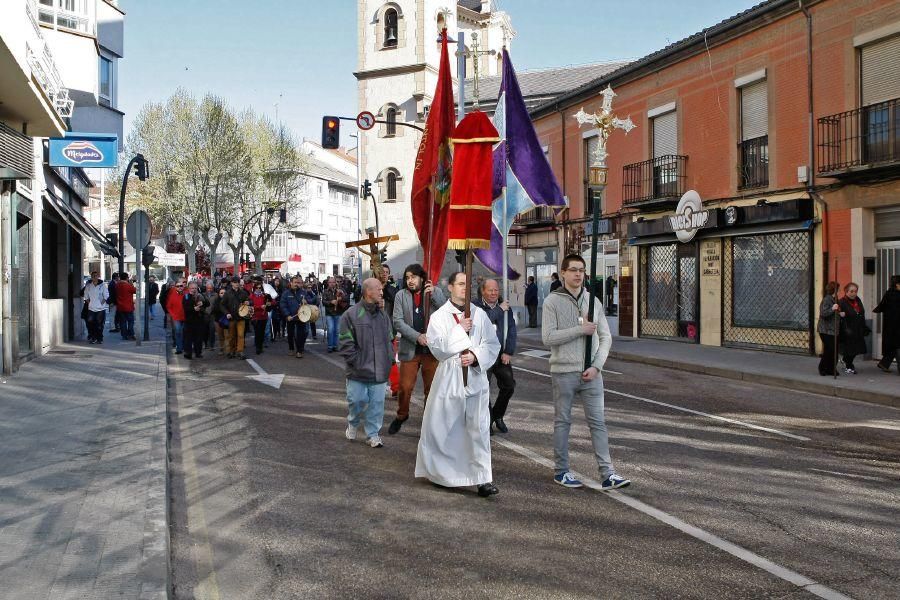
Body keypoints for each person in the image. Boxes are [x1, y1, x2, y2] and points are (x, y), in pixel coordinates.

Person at [542, 254, 630, 491]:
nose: (578, 274)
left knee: (598, 423)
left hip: (591, 374)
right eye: (573, 270)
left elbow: (605, 337)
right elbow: (548, 337)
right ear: (563, 273)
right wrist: (579, 330)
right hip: (563, 372)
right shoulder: (552, 302)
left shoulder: (594, 301)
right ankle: (561, 471)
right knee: (563, 422)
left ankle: (608, 473)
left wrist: (596, 366)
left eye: (581, 270)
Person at [415, 271, 501, 498]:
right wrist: (459, 329)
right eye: (460, 284)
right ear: (450, 287)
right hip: (450, 376)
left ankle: (483, 479)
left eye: (467, 284)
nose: (464, 287)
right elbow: (437, 348)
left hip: (474, 376)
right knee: (445, 427)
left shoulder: (480, 315)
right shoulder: (440, 316)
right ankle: (444, 474)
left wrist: (474, 355)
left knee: (479, 429)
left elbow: (492, 344)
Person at [388, 263, 446, 435]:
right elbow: (397, 321)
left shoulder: (434, 293)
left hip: (431, 351)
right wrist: (417, 336)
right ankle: (402, 415)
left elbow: (446, 312)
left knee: (431, 389)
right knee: (405, 387)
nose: (410, 281)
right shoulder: (401, 295)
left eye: (413, 277)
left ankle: (429, 422)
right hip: (411, 348)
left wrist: (434, 294)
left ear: (422, 278)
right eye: (407, 278)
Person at [339, 278, 394, 448]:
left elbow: (389, 340)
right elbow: (345, 343)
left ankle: (372, 434)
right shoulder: (351, 314)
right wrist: (357, 362)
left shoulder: (383, 316)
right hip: (358, 372)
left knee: (377, 406)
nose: (381, 292)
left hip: (379, 372)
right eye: (378, 289)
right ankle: (353, 422)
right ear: (368, 292)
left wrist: (389, 361)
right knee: (356, 401)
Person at [474, 279, 517, 434]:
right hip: (483, 354)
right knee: (483, 388)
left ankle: (496, 416)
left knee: (509, 385)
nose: (494, 293)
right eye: (490, 290)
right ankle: (487, 420)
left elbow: (511, 329)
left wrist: (509, 351)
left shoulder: (505, 307)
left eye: (496, 290)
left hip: (500, 354)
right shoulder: (476, 306)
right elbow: (483, 322)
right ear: (483, 291)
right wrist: (499, 309)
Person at [838, 282, 869, 375]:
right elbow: (837, 315)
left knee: (857, 349)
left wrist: (864, 326)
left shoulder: (858, 300)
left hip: (858, 328)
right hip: (848, 330)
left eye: (855, 291)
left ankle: (846, 361)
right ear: (846, 292)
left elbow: (861, 313)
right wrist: (840, 314)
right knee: (850, 349)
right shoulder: (842, 302)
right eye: (851, 291)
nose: (853, 293)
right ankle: (849, 366)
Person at [873, 275, 900, 374]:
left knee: (893, 346)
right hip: (897, 325)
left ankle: (884, 363)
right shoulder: (898, 295)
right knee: (898, 346)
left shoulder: (888, 294)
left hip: (889, 325)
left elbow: (881, 307)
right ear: (897, 285)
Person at [279, 276, 308, 359]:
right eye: (295, 282)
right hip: (290, 317)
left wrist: (306, 302)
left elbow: (312, 301)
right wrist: (287, 315)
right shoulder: (286, 293)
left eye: (298, 283)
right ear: (291, 283)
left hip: (301, 317)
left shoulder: (303, 292)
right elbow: (283, 305)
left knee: (301, 334)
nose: (296, 284)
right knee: (290, 334)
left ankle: (299, 351)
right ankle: (291, 348)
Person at [223, 276, 250, 359]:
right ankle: (232, 350)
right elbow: (222, 304)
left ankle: (240, 351)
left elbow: (249, 300)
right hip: (231, 318)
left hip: (241, 317)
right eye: (235, 282)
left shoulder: (243, 292)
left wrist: (248, 302)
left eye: (238, 282)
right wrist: (227, 313)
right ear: (231, 283)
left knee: (241, 335)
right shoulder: (227, 293)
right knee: (231, 336)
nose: (236, 284)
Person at [817, 281, 840, 377]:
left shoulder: (835, 299)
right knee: (830, 350)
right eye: (838, 289)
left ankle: (830, 368)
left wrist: (840, 313)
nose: (838, 291)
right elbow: (823, 313)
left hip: (833, 329)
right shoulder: (827, 300)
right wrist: (832, 309)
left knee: (833, 350)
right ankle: (823, 368)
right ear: (834, 290)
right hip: (826, 330)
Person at [182, 281, 209, 359]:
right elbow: (185, 308)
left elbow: (208, 303)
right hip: (189, 320)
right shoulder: (186, 296)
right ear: (188, 288)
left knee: (199, 338)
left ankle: (198, 353)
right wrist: (193, 309)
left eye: (195, 288)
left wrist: (202, 303)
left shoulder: (200, 295)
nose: (194, 290)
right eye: (192, 288)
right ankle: (188, 353)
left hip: (199, 320)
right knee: (188, 338)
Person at [323, 276, 349, 352]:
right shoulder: (325, 291)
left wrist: (341, 298)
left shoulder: (341, 290)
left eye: (333, 282)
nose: (332, 284)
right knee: (330, 330)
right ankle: (330, 346)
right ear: (328, 283)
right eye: (330, 282)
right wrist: (331, 302)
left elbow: (347, 298)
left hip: (338, 312)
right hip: (329, 314)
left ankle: (335, 345)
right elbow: (323, 302)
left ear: (335, 283)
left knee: (337, 330)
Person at [82, 271, 109, 344]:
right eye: (93, 276)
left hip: (100, 309)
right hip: (91, 308)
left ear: (98, 276)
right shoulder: (88, 286)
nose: (94, 277)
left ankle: (99, 338)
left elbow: (106, 295)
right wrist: (89, 303)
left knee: (99, 324)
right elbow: (86, 296)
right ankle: (93, 337)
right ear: (91, 277)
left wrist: (101, 303)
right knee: (91, 323)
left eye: (96, 275)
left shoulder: (102, 285)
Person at [249, 280, 271, 355]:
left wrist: (268, 303)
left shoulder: (264, 295)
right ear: (254, 288)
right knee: (257, 333)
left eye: (260, 288)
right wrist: (260, 307)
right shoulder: (251, 296)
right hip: (255, 317)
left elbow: (271, 302)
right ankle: (258, 348)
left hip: (264, 317)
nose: (259, 289)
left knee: (262, 333)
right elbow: (251, 307)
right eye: (257, 288)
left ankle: (260, 347)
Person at [165, 278, 187, 354]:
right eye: (177, 286)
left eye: (181, 285)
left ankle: (184, 347)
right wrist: (172, 315)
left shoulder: (186, 293)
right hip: (176, 317)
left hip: (185, 317)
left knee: (184, 332)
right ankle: (179, 348)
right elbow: (168, 306)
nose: (180, 287)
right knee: (178, 332)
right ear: (175, 287)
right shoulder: (172, 294)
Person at [116, 273, 137, 340]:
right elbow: (135, 290)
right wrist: (131, 283)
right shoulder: (128, 285)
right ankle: (131, 334)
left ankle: (124, 335)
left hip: (120, 306)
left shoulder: (117, 285)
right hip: (128, 306)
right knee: (130, 321)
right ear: (127, 278)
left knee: (123, 322)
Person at [210, 287, 229, 355]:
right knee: (220, 336)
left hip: (227, 320)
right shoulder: (216, 301)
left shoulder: (229, 301)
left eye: (224, 293)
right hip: (218, 321)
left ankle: (228, 350)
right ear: (219, 294)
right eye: (221, 293)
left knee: (227, 335)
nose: (223, 294)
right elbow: (213, 311)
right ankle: (221, 349)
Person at [202, 281, 218, 350]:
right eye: (208, 288)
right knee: (205, 330)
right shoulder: (202, 295)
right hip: (205, 315)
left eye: (211, 288)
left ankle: (212, 344)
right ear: (206, 288)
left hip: (212, 315)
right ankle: (206, 344)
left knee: (212, 330)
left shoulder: (216, 295)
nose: (209, 290)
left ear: (213, 288)